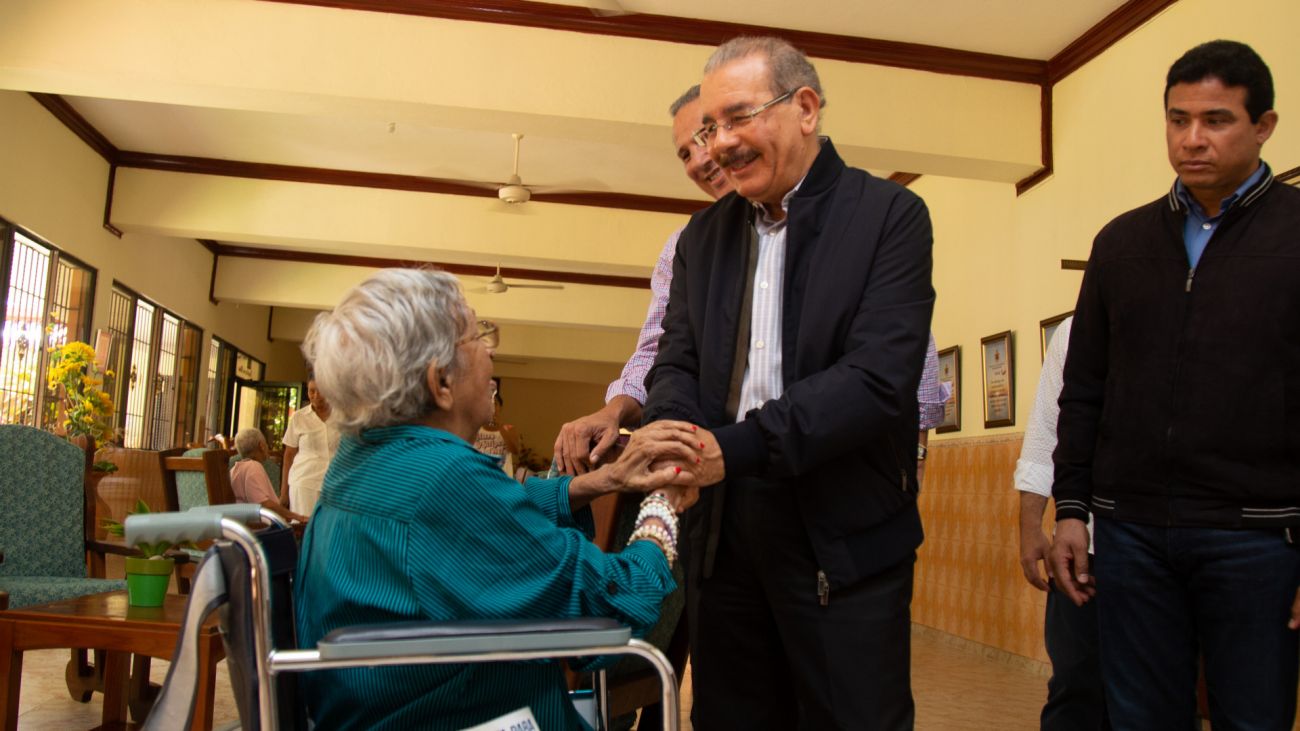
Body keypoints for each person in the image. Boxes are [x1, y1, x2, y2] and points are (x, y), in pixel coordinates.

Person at [642, 37, 934, 730]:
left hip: (845, 537)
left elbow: (874, 381)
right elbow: (674, 363)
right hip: (723, 537)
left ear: (805, 108)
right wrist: (680, 441)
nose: (719, 146)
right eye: (710, 128)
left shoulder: (889, 217)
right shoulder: (700, 239)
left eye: (739, 118)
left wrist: (732, 449)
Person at [294, 268, 707, 731]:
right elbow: (610, 606)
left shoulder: (363, 457)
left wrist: (599, 481)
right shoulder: (445, 480)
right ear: (440, 383)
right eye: (477, 337)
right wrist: (662, 508)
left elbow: (484, 514)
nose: (490, 352)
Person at [1050, 40, 1300, 730]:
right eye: (1177, 119)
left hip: (1258, 537)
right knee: (1140, 718)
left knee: (1254, 717)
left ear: (1264, 126)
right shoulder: (1121, 244)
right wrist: (1072, 505)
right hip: (1131, 532)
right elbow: (1084, 386)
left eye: (1216, 119)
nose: (1192, 139)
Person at [553, 87, 948, 481]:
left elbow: (897, 367)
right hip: (725, 483)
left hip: (841, 478)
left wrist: (907, 465)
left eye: (709, 135)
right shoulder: (685, 245)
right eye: (686, 153)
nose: (702, 160)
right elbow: (660, 354)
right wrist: (617, 410)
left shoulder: (861, 222)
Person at [1013, 317, 1109, 730]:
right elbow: (1044, 433)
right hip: (1082, 545)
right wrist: (1031, 525)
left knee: (1160, 690)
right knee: (1075, 684)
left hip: (1167, 545)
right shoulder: (1074, 331)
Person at [279, 377, 339, 516]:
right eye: (312, 391)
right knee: (305, 527)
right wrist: (284, 492)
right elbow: (289, 455)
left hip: (336, 482)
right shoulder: (299, 417)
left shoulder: (342, 416)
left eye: (321, 391)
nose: (316, 395)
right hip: (305, 482)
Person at [230, 427, 308, 524]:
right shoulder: (253, 467)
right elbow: (264, 504)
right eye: (266, 443)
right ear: (262, 446)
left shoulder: (235, 469)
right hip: (263, 529)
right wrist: (297, 517)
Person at [474, 377, 521, 475]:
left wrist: (499, 426)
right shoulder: (474, 429)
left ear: (500, 407)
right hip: (479, 476)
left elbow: (515, 450)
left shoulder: (509, 429)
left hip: (502, 479)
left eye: (495, 404)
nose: (492, 407)